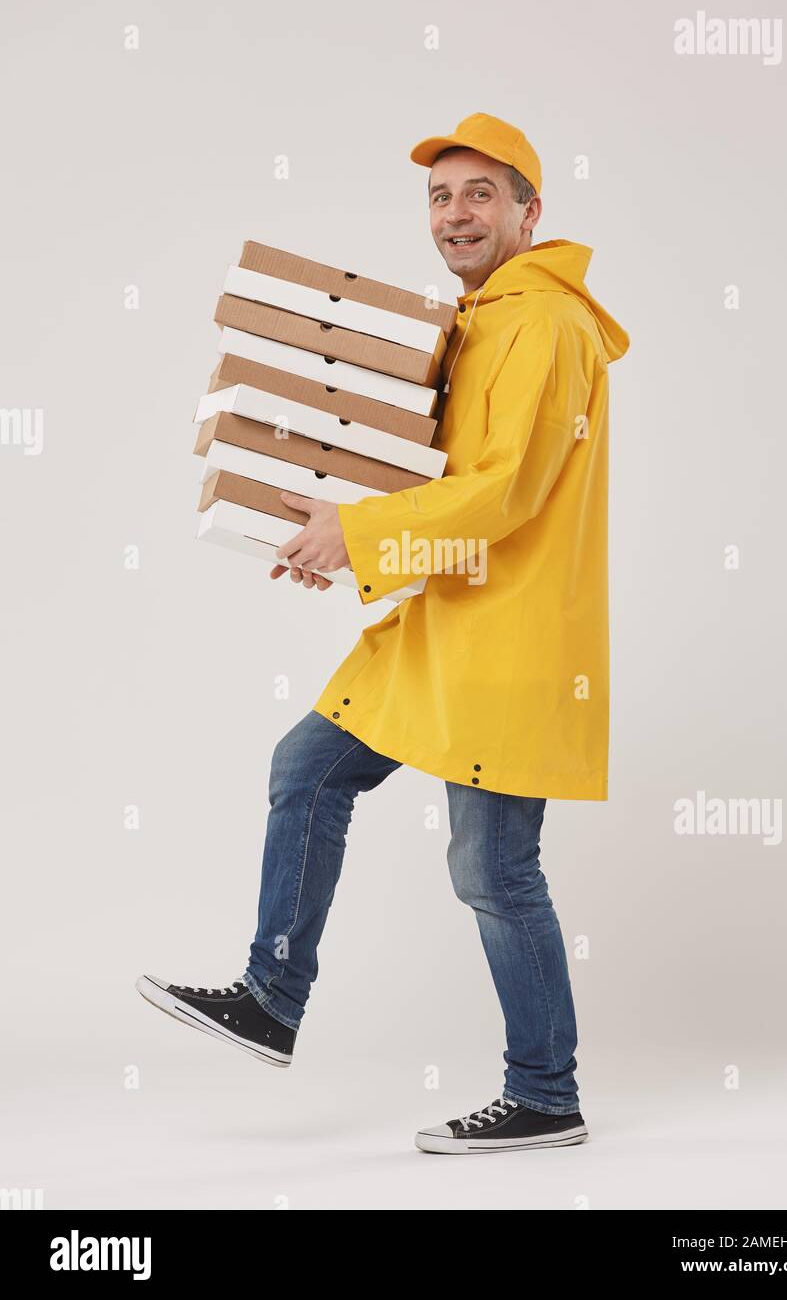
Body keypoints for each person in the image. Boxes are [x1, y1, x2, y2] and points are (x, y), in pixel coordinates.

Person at [137, 112, 630, 1155]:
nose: (455, 214)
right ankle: (271, 997)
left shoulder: (541, 324)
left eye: (479, 194)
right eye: (439, 198)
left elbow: (504, 492)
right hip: (444, 614)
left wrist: (358, 534)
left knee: (493, 871)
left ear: (529, 210)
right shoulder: (478, 318)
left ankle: (545, 1093)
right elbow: (435, 482)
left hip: (507, 638)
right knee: (307, 765)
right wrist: (342, 538)